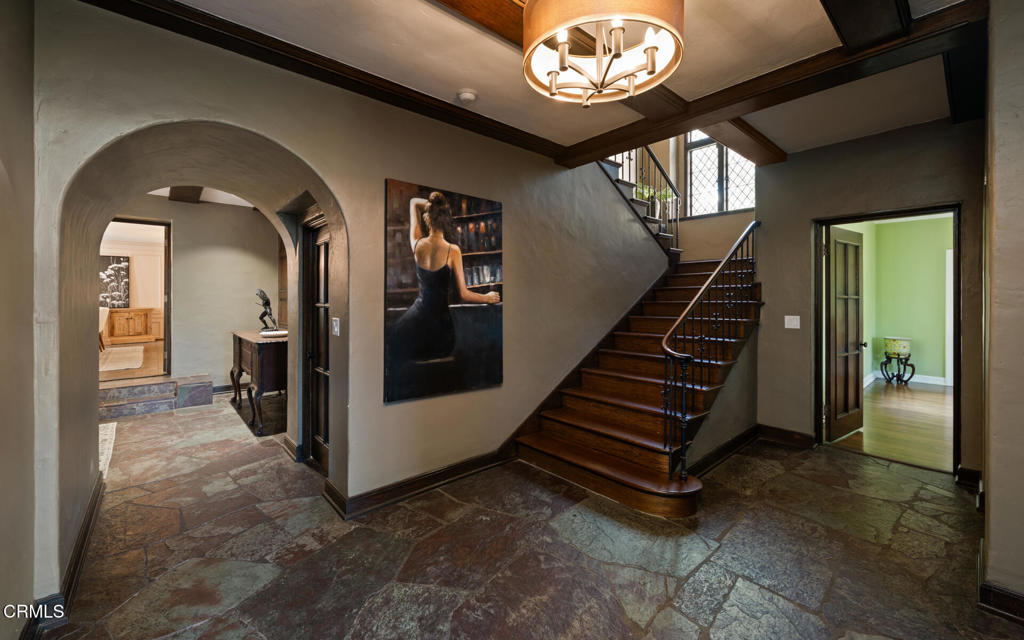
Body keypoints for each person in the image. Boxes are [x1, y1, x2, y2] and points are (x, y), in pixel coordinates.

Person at [387, 191, 500, 365]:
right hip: (440, 334)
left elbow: (413, 202)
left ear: (428, 218)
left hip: (415, 323)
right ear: (446, 220)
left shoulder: (417, 244)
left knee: (391, 341)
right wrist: (487, 297)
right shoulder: (452, 250)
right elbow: (464, 294)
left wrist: (435, 207)